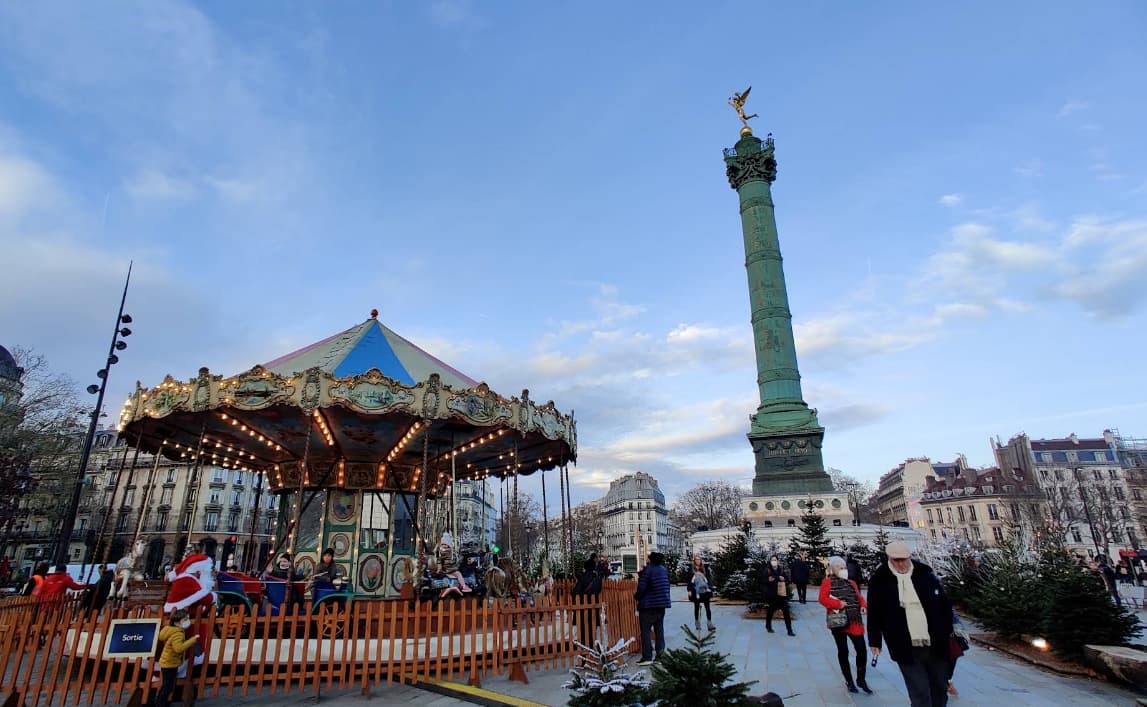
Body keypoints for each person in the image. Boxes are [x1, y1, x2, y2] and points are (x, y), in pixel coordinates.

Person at [867, 542, 953, 706]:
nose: (900, 564)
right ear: (889, 559)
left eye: (903, 559)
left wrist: (947, 629)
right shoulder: (880, 580)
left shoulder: (924, 574)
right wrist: (874, 640)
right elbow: (874, 612)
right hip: (904, 643)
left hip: (935, 641)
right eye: (896, 560)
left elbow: (944, 604)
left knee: (940, 687)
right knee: (919, 691)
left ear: (909, 557)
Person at [820, 556, 871, 694]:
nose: (843, 570)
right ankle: (849, 681)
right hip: (839, 620)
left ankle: (861, 678)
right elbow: (822, 599)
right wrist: (838, 604)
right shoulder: (827, 582)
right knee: (843, 651)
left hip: (854, 621)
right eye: (839, 567)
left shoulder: (852, 583)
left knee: (861, 649)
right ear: (833, 569)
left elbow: (859, 597)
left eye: (844, 567)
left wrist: (863, 606)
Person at [155, 609, 199, 707]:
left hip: (167, 661)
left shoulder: (170, 630)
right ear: (177, 622)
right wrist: (192, 640)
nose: (187, 621)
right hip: (170, 662)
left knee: (166, 685)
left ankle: (160, 702)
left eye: (187, 619)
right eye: (184, 620)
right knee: (168, 686)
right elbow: (178, 648)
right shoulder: (178, 633)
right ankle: (160, 704)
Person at [634, 551, 672, 666]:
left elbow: (642, 587)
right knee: (659, 630)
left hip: (648, 605)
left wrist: (636, 596)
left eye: (648, 558)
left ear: (651, 560)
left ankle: (647, 656)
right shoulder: (663, 570)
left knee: (645, 631)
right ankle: (660, 656)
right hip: (661, 604)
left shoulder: (648, 570)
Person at [571, 553, 605, 646]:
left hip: (583, 607)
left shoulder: (583, 577)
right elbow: (598, 590)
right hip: (593, 607)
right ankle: (591, 645)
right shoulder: (597, 578)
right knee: (592, 628)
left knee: (583, 629)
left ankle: (585, 647)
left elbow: (575, 592)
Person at [764, 555, 795, 636]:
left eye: (775, 560)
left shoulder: (781, 570)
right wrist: (768, 580)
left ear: (777, 561)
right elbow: (762, 581)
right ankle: (768, 625)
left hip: (781, 595)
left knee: (786, 612)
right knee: (770, 612)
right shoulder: (767, 570)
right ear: (770, 561)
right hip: (772, 596)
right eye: (772, 560)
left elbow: (788, 581)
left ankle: (789, 630)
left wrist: (784, 579)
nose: (774, 561)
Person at [688, 556, 715, 631]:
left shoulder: (705, 568)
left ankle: (709, 624)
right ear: (694, 560)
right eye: (696, 559)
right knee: (696, 607)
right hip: (695, 590)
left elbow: (709, 579)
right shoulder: (691, 569)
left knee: (707, 607)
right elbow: (689, 580)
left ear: (701, 560)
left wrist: (710, 588)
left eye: (699, 559)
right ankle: (697, 624)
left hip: (705, 590)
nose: (697, 561)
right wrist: (689, 590)